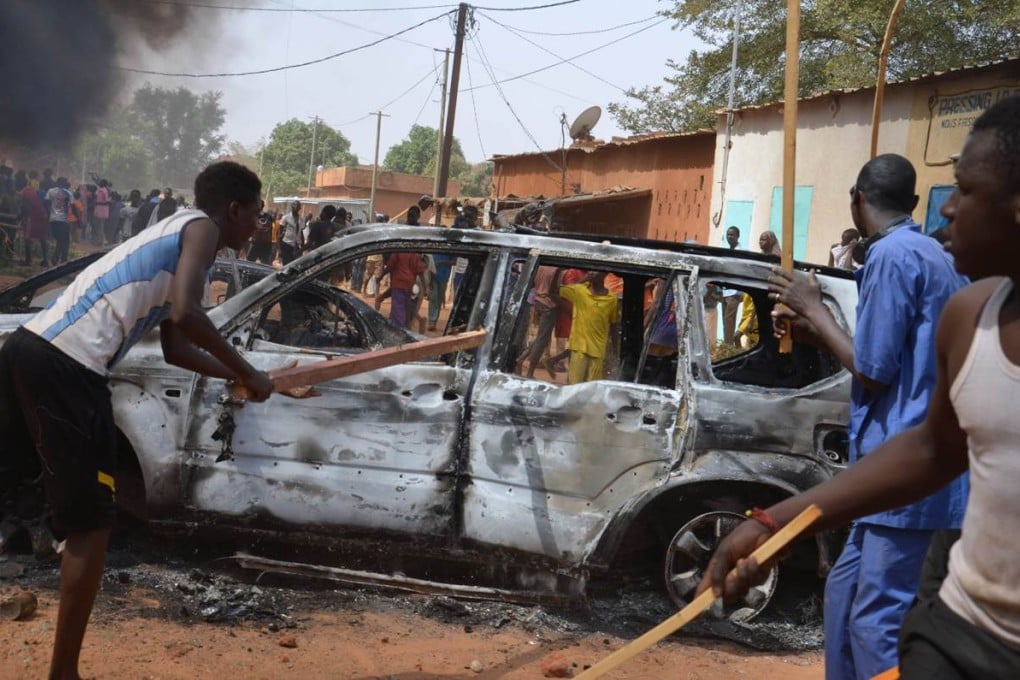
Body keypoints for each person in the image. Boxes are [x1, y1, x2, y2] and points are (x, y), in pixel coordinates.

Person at [0, 161, 274, 680]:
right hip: (68, 366)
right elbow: (187, 316)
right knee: (92, 526)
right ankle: (63, 675)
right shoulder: (201, 227)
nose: (257, 226)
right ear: (233, 209)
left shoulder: (181, 235)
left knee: (19, 494)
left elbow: (174, 346)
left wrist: (236, 379)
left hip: (29, 349)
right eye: (255, 214)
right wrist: (249, 368)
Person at [705, 153, 971, 680]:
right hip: (889, 469)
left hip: (906, 465)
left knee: (875, 621)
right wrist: (814, 329)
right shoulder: (923, 253)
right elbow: (890, 357)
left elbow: (873, 368)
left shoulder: (894, 256)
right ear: (916, 203)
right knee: (844, 597)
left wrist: (814, 306)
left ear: (857, 198)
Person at [559, 270, 620, 384]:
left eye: (596, 271)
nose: (593, 273)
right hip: (579, 349)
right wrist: (583, 280)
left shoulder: (612, 299)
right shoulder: (579, 290)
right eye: (591, 271)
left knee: (591, 389)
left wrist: (616, 349)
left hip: (598, 351)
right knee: (574, 386)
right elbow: (558, 291)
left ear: (605, 274)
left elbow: (613, 325)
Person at [721, 226, 743, 345]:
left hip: (734, 292)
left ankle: (728, 348)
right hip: (725, 292)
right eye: (728, 234)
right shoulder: (727, 251)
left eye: (732, 235)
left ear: (737, 236)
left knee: (729, 321)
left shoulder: (741, 253)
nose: (730, 237)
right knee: (725, 322)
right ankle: (727, 344)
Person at [278, 200, 302, 264]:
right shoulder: (286, 217)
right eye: (293, 205)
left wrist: (302, 247)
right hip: (286, 244)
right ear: (291, 206)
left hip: (296, 246)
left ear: (300, 208)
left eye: (296, 205)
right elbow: (280, 233)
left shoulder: (301, 219)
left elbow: (301, 233)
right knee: (286, 265)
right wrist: (279, 248)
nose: (294, 207)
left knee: (295, 265)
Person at [93, 179, 111, 245]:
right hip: (102, 209)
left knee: (100, 226)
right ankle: (99, 241)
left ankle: (99, 242)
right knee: (100, 225)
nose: (99, 183)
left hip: (101, 209)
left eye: (100, 182)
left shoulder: (103, 191)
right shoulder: (104, 190)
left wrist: (97, 202)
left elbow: (106, 201)